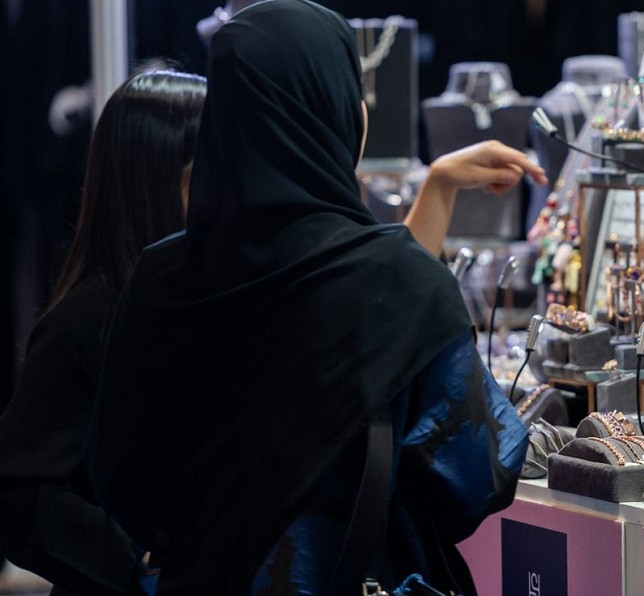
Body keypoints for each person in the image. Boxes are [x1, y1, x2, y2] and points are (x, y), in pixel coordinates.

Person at [87, 1, 546, 594]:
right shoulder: (402, 283)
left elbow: (120, 479)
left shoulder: (160, 278)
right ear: (342, 115)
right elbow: (476, 478)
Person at [0, 68, 207, 595]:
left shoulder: (211, 301)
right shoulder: (84, 322)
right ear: (156, 186)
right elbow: (17, 492)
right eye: (204, 178)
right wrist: (134, 561)